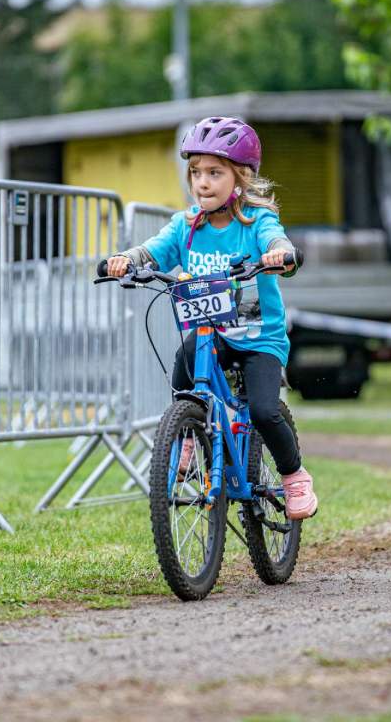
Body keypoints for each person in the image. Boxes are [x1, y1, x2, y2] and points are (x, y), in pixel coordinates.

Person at [106, 116, 317, 520]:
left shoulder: (255, 222)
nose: (202, 182)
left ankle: (294, 477)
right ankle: (188, 432)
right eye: (196, 172)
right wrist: (127, 260)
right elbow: (155, 249)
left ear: (240, 179)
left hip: (258, 338)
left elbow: (276, 239)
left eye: (214, 173)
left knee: (263, 410)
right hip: (209, 333)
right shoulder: (186, 225)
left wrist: (278, 254)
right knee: (183, 369)